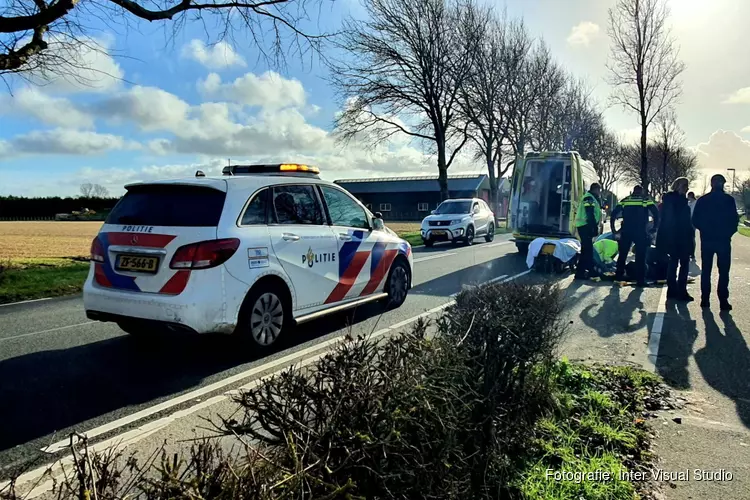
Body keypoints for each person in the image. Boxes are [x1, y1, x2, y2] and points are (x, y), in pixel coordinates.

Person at [692, 174, 739, 310]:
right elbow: (734, 219)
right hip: (723, 240)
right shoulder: (728, 200)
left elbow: (695, 220)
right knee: (724, 271)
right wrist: (728, 233)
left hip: (707, 240)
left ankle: (705, 299)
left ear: (711, 184)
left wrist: (704, 230)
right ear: (723, 184)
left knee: (706, 270)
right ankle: (723, 300)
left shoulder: (703, 200)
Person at [610, 185, 659, 286]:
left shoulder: (625, 200)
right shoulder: (644, 200)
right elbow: (656, 213)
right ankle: (640, 280)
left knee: (622, 254)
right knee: (640, 256)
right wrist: (654, 228)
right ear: (641, 191)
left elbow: (614, 214)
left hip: (626, 230)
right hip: (640, 231)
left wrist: (614, 229)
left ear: (633, 191)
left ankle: (618, 276)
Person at [657, 178, 694, 301]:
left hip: (672, 238)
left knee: (673, 264)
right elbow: (684, 222)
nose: (687, 188)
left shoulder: (668, 201)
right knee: (683, 265)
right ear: (678, 186)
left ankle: (672, 291)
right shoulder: (681, 202)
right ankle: (681, 292)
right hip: (680, 237)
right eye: (685, 186)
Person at [574, 182, 602, 280]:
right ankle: (582, 272)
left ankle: (586, 270)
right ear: (595, 189)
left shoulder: (590, 197)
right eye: (599, 190)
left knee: (587, 250)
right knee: (586, 250)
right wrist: (593, 227)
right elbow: (589, 213)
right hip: (585, 226)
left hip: (584, 226)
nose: (599, 192)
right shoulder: (589, 198)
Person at [687, 192, 697, 260]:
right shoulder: (688, 203)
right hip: (687, 222)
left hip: (693, 221)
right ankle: (688, 252)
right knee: (687, 238)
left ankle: (692, 253)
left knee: (692, 238)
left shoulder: (696, 203)